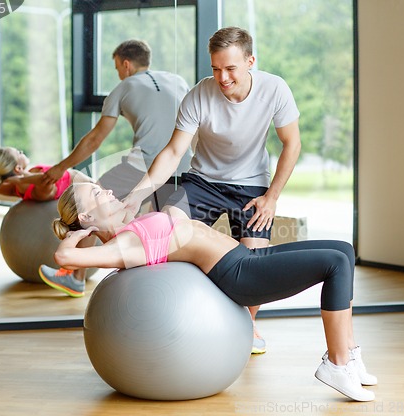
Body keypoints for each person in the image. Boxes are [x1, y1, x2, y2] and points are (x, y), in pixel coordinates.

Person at [41, 182, 377, 402]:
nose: (107, 191)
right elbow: (64, 256)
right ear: (86, 215)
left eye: (101, 187)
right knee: (335, 264)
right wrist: (73, 233)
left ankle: (350, 353)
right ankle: (336, 363)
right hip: (240, 274)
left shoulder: (129, 228)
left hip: (244, 257)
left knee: (344, 250)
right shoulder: (121, 246)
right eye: (97, 194)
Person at [123, 27, 301, 354]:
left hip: (252, 186)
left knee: (254, 261)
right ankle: (171, 315)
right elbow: (174, 151)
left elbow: (292, 143)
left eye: (231, 68)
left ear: (250, 61)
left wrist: (272, 197)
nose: (223, 78)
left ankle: (246, 324)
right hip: (203, 180)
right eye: (215, 68)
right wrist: (137, 193)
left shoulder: (274, 89)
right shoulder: (199, 94)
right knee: (166, 226)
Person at [39, 39, 193, 290]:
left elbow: (95, 140)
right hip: (184, 164)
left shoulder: (123, 87)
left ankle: (74, 277)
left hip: (144, 163)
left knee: (90, 199)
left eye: (117, 68)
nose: (119, 73)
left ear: (126, 64)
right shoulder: (178, 80)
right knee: (168, 230)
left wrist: (60, 168)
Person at [0, 147, 90, 202]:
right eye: (19, 153)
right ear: (18, 168)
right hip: (85, 187)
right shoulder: (39, 188)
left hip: (84, 184)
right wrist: (19, 179)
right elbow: (44, 179)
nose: (22, 152)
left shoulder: (14, 188)